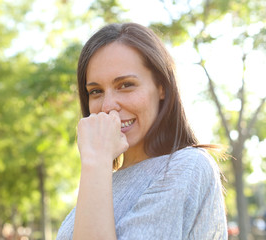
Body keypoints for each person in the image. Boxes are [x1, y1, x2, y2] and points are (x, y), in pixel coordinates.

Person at [56, 22, 227, 240]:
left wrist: (96, 161)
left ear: (161, 87)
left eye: (126, 85)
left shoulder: (187, 166)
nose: (108, 106)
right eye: (96, 91)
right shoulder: (104, 180)